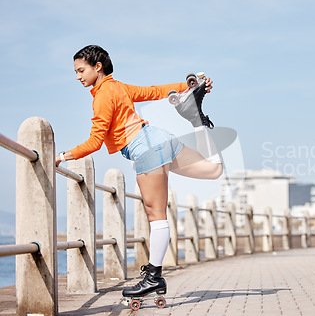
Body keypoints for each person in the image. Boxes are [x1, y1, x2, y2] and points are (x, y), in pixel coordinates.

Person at [55, 45, 223, 299]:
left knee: (156, 215)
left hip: (145, 149)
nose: (78, 76)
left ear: (97, 67)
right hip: (157, 138)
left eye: (81, 70)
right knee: (214, 171)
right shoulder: (118, 87)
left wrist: (61, 156)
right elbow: (155, 91)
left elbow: (95, 141)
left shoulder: (102, 96)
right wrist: (190, 86)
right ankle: (198, 122)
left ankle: (154, 277)